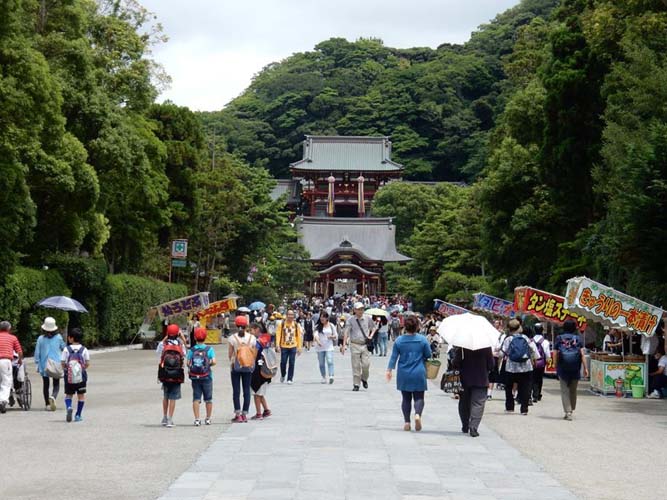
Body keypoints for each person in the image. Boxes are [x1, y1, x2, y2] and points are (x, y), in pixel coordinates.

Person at [385, 316, 432, 431]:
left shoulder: (399, 340)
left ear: (405, 327)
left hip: (404, 373)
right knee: (419, 397)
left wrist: (389, 370)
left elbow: (394, 357)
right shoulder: (422, 340)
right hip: (419, 371)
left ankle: (407, 421)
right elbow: (429, 354)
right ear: (417, 326)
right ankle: (417, 415)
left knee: (405, 398)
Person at [499, 319, 539, 415]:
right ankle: (524, 409)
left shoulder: (508, 339)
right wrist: (534, 360)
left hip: (511, 367)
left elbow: (501, 353)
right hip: (526, 367)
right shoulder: (525, 338)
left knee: (508, 387)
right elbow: (534, 350)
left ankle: (509, 407)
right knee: (525, 387)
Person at [454, 345, 495, 437]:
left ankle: (465, 425)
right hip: (481, 379)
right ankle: (474, 427)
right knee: (478, 404)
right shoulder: (486, 347)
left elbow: (456, 362)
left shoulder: (463, 346)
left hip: (465, 379)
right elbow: (491, 365)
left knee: (464, 402)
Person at [554, 319, 588, 420]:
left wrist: (556, 365)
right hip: (575, 367)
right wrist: (585, 368)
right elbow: (582, 354)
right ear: (574, 328)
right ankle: (571, 409)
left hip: (562, 367)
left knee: (565, 390)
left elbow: (555, 353)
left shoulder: (559, 338)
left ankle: (568, 412)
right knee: (573, 390)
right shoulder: (578, 339)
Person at [157, 324, 187, 427]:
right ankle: (170, 419)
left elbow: (158, 353)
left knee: (166, 396)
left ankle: (164, 417)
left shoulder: (163, 344)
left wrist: (165, 338)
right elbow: (184, 354)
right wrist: (182, 338)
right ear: (178, 333)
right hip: (176, 374)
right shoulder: (180, 344)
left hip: (165, 374)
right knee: (173, 398)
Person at [228, 315, 257, 422]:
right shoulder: (252, 338)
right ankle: (245, 414)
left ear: (236, 325)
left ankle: (237, 413)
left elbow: (230, 355)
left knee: (236, 391)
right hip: (248, 366)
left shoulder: (232, 338)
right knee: (246, 390)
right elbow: (254, 353)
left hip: (235, 367)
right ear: (246, 326)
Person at [34, 317, 66, 411]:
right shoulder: (59, 337)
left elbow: (37, 352)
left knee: (45, 385)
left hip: (44, 365)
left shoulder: (40, 338)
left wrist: (37, 363)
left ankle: (47, 404)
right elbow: (64, 348)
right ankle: (53, 397)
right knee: (56, 384)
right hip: (56, 364)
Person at [343, 302, 376, 391]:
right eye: (358, 309)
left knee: (366, 364)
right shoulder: (350, 320)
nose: (360, 311)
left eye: (362, 309)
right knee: (356, 365)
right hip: (354, 344)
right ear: (354, 310)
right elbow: (346, 332)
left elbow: (373, 327)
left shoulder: (367, 318)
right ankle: (356, 384)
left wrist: (371, 335)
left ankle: (364, 378)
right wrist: (344, 345)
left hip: (365, 345)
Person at [187, 327, 216, 426]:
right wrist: (208, 364)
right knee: (208, 399)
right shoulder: (209, 349)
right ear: (205, 337)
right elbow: (214, 362)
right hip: (207, 376)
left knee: (196, 398)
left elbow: (188, 363)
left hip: (195, 377)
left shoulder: (192, 349)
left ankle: (197, 419)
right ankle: (208, 418)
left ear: (195, 337)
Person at [61, 328, 90, 423]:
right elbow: (87, 363)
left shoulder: (66, 349)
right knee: (81, 396)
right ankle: (78, 415)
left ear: (71, 338)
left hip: (69, 377)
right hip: (81, 377)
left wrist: (66, 368)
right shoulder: (84, 349)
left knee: (68, 395)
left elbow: (63, 363)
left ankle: (69, 407)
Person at [250, 323, 272, 420]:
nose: (250, 332)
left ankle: (258, 413)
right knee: (261, 391)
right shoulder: (266, 339)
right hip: (266, 368)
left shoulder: (257, 342)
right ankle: (266, 410)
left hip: (258, 370)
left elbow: (254, 356)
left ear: (257, 329)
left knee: (257, 392)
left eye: (251, 330)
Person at [0, 321, 23, 414]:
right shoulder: (13, 338)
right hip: (6, 361)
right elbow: (19, 351)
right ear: (9, 329)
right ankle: (2, 401)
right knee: (6, 382)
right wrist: (20, 360)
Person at [275, 309, 302, 384]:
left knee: (292, 362)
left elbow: (298, 336)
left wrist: (299, 347)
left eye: (292, 315)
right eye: (289, 314)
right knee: (283, 362)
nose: (290, 316)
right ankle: (283, 374)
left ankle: (290, 378)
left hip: (293, 346)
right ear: (286, 316)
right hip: (284, 346)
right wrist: (277, 345)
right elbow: (278, 335)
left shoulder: (296, 325)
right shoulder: (282, 324)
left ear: (294, 316)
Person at [530, 323, 551, 403]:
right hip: (541, 363)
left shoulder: (531, 340)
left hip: (533, 362)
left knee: (533, 378)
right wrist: (548, 360)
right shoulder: (545, 342)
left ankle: (534, 394)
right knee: (539, 378)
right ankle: (538, 394)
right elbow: (547, 353)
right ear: (542, 330)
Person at [314, 311, 337, 384]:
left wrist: (332, 337)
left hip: (329, 347)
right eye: (321, 317)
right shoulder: (317, 326)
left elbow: (336, 335)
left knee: (330, 361)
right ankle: (323, 377)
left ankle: (331, 376)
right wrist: (318, 341)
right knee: (321, 363)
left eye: (324, 317)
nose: (322, 318)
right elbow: (315, 335)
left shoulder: (331, 325)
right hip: (320, 347)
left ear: (327, 318)